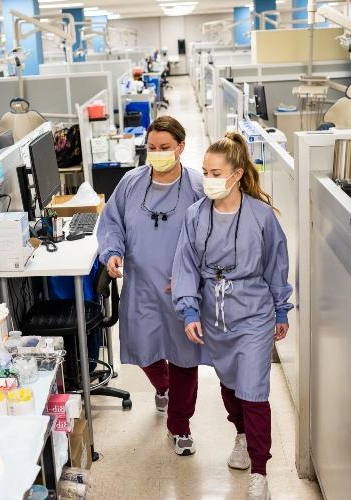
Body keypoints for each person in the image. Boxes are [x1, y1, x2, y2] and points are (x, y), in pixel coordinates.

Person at [171, 132, 293, 499]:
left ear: (237, 175)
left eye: (216, 172)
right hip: (215, 314)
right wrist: (190, 308)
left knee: (255, 391)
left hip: (254, 312)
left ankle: (260, 470)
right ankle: (239, 433)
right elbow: (186, 266)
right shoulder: (196, 215)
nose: (208, 179)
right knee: (229, 383)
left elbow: (276, 265)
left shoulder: (261, 217)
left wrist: (281, 309)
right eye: (205, 171)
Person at [96, 115, 208, 456]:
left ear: (181, 148)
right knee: (143, 348)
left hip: (182, 287)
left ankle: (180, 426)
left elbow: (211, 235)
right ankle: (163, 385)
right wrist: (112, 252)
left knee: (185, 357)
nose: (157, 153)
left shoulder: (197, 186)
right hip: (142, 285)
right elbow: (111, 221)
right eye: (152, 147)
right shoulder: (131, 183)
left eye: (165, 147)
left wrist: (197, 277)